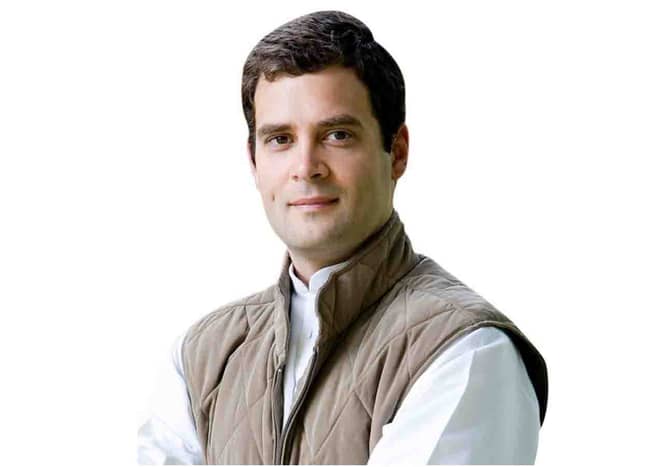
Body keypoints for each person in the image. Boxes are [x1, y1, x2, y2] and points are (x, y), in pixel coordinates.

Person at [138, 10, 548, 465]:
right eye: (280, 139)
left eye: (337, 135)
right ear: (253, 161)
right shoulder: (200, 358)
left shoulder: (465, 350)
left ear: (397, 152)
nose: (306, 167)